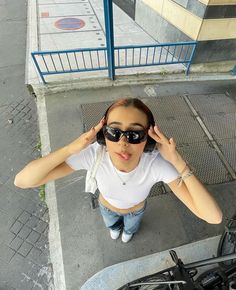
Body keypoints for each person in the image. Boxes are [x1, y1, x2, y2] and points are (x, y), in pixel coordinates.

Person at [14, 98, 222, 243]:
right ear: (103, 134)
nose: (123, 143)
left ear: (148, 140)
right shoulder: (94, 154)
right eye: (114, 132)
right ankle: (115, 229)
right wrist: (71, 148)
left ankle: (128, 232)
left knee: (130, 228)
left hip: (136, 210)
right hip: (106, 207)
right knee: (112, 226)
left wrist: (178, 162)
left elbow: (213, 217)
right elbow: (23, 181)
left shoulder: (156, 165)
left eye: (134, 134)